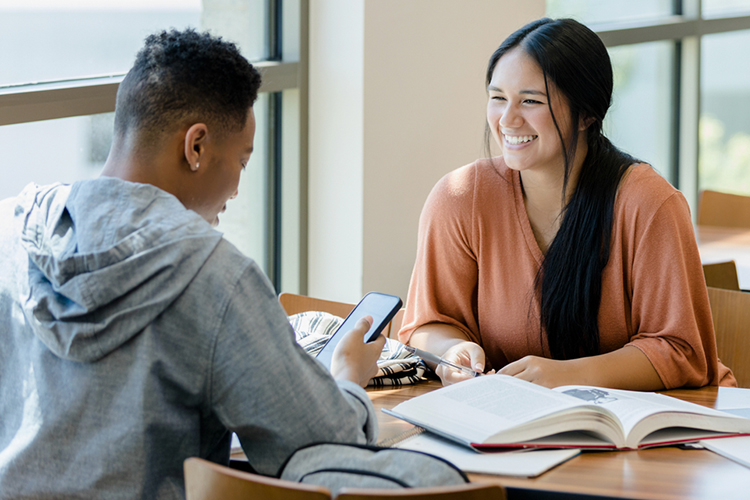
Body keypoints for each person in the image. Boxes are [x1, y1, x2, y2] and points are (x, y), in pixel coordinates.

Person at [0, 29, 385, 499]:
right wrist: (347, 380)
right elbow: (327, 447)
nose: (238, 189)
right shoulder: (213, 274)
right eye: (242, 162)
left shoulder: (11, 230)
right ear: (196, 146)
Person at [398, 18, 735, 390]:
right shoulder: (460, 198)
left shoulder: (648, 204)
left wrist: (566, 376)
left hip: (658, 429)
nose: (508, 119)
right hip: (516, 425)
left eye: (530, 101)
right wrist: (453, 351)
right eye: (498, 98)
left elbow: (681, 350)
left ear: (587, 114)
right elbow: (428, 322)